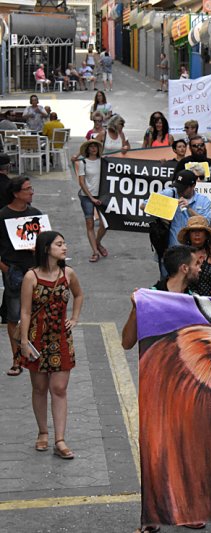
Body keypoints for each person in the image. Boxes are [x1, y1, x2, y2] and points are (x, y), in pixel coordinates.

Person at [17, 231, 83, 460]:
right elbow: (25, 311)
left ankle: (60, 439)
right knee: (39, 388)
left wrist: (74, 318)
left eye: (64, 244)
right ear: (47, 248)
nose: (64, 248)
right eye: (59, 244)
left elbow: (79, 295)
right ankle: (43, 432)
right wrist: (24, 341)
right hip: (36, 338)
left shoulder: (68, 273)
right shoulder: (31, 277)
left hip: (61, 339)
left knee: (59, 388)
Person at [121, 245, 202, 349]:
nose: (199, 269)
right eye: (196, 264)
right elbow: (126, 344)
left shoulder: (195, 301)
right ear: (185, 268)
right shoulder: (150, 299)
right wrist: (135, 309)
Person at [1, 178, 41, 376]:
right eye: (27, 189)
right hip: (14, 271)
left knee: (35, 314)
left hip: (34, 270)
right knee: (14, 316)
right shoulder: (3, 216)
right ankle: (16, 359)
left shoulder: (35, 214)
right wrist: (6, 269)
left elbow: (45, 240)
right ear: (16, 193)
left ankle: (33, 354)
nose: (32, 192)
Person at [159, 170, 211, 248]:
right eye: (177, 187)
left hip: (195, 251)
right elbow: (144, 205)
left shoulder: (204, 201)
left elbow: (206, 223)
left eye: (183, 188)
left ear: (193, 186)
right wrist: (164, 214)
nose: (179, 190)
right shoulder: (169, 193)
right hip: (173, 250)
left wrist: (189, 209)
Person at [76, 139, 108, 263]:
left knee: (105, 224)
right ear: (87, 149)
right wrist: (91, 198)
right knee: (89, 224)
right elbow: (81, 182)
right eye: (91, 147)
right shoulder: (83, 162)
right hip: (86, 196)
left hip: (101, 195)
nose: (93, 149)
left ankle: (97, 242)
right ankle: (95, 251)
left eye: (95, 147)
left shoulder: (103, 161)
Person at [177, 216, 211, 297]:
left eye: (200, 231)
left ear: (206, 235)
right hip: (187, 300)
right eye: (193, 231)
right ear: (188, 235)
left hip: (210, 300)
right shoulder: (181, 254)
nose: (197, 234)